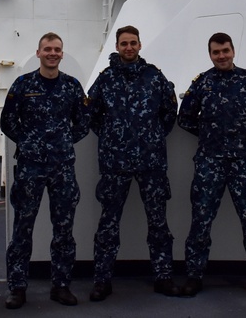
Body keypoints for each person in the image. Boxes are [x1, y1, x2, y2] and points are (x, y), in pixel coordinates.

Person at [177, 32, 246, 299]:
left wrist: (244, 132)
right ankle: (194, 276)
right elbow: (185, 117)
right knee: (200, 222)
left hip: (243, 164)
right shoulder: (202, 83)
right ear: (210, 55)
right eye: (216, 52)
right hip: (209, 163)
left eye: (225, 50)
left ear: (233, 51)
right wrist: (210, 135)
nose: (221, 56)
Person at [87, 25, 179, 301]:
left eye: (133, 43)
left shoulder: (154, 76)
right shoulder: (106, 79)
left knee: (159, 223)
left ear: (140, 45)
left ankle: (163, 276)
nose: (129, 48)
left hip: (151, 163)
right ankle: (102, 280)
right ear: (117, 47)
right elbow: (92, 114)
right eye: (124, 43)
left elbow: (169, 111)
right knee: (108, 225)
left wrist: (151, 137)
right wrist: (113, 137)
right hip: (115, 163)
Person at [1, 32, 90, 309]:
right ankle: (17, 287)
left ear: (62, 54)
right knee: (22, 229)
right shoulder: (23, 84)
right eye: (47, 49)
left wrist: (61, 143)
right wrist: (29, 143)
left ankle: (61, 285)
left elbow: (83, 122)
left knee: (64, 229)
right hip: (30, 167)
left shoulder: (73, 87)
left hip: (62, 168)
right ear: (38, 53)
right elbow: (7, 121)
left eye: (57, 49)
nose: (52, 53)